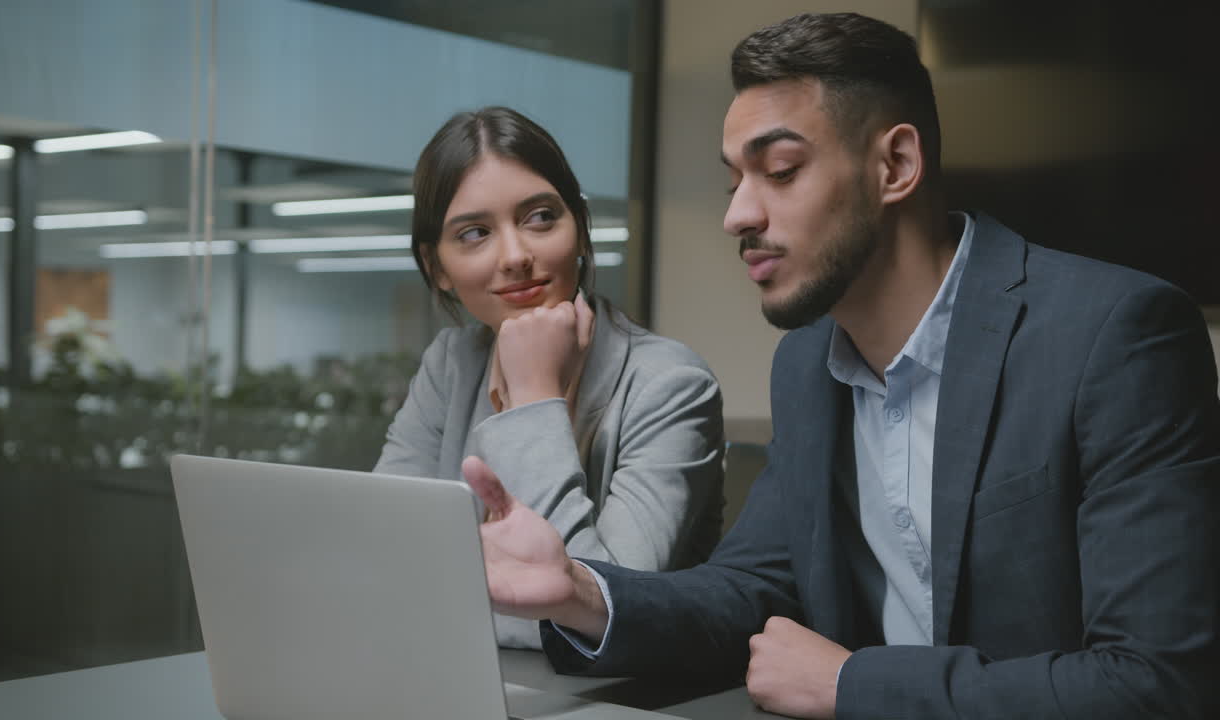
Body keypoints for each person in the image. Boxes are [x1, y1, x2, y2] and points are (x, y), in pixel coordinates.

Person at [461, 12, 1220, 719]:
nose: (738, 215)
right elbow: (752, 589)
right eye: (734, 182)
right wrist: (579, 593)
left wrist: (852, 683)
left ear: (894, 164)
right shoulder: (807, 364)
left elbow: (1157, 681)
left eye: (781, 171)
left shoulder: (1116, 334)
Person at [374, 106, 726, 649]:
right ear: (436, 266)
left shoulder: (670, 384)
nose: (516, 256)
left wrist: (533, 395)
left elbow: (600, 607)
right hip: (457, 678)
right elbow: (380, 562)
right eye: (473, 233)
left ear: (580, 230)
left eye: (540, 217)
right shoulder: (452, 363)